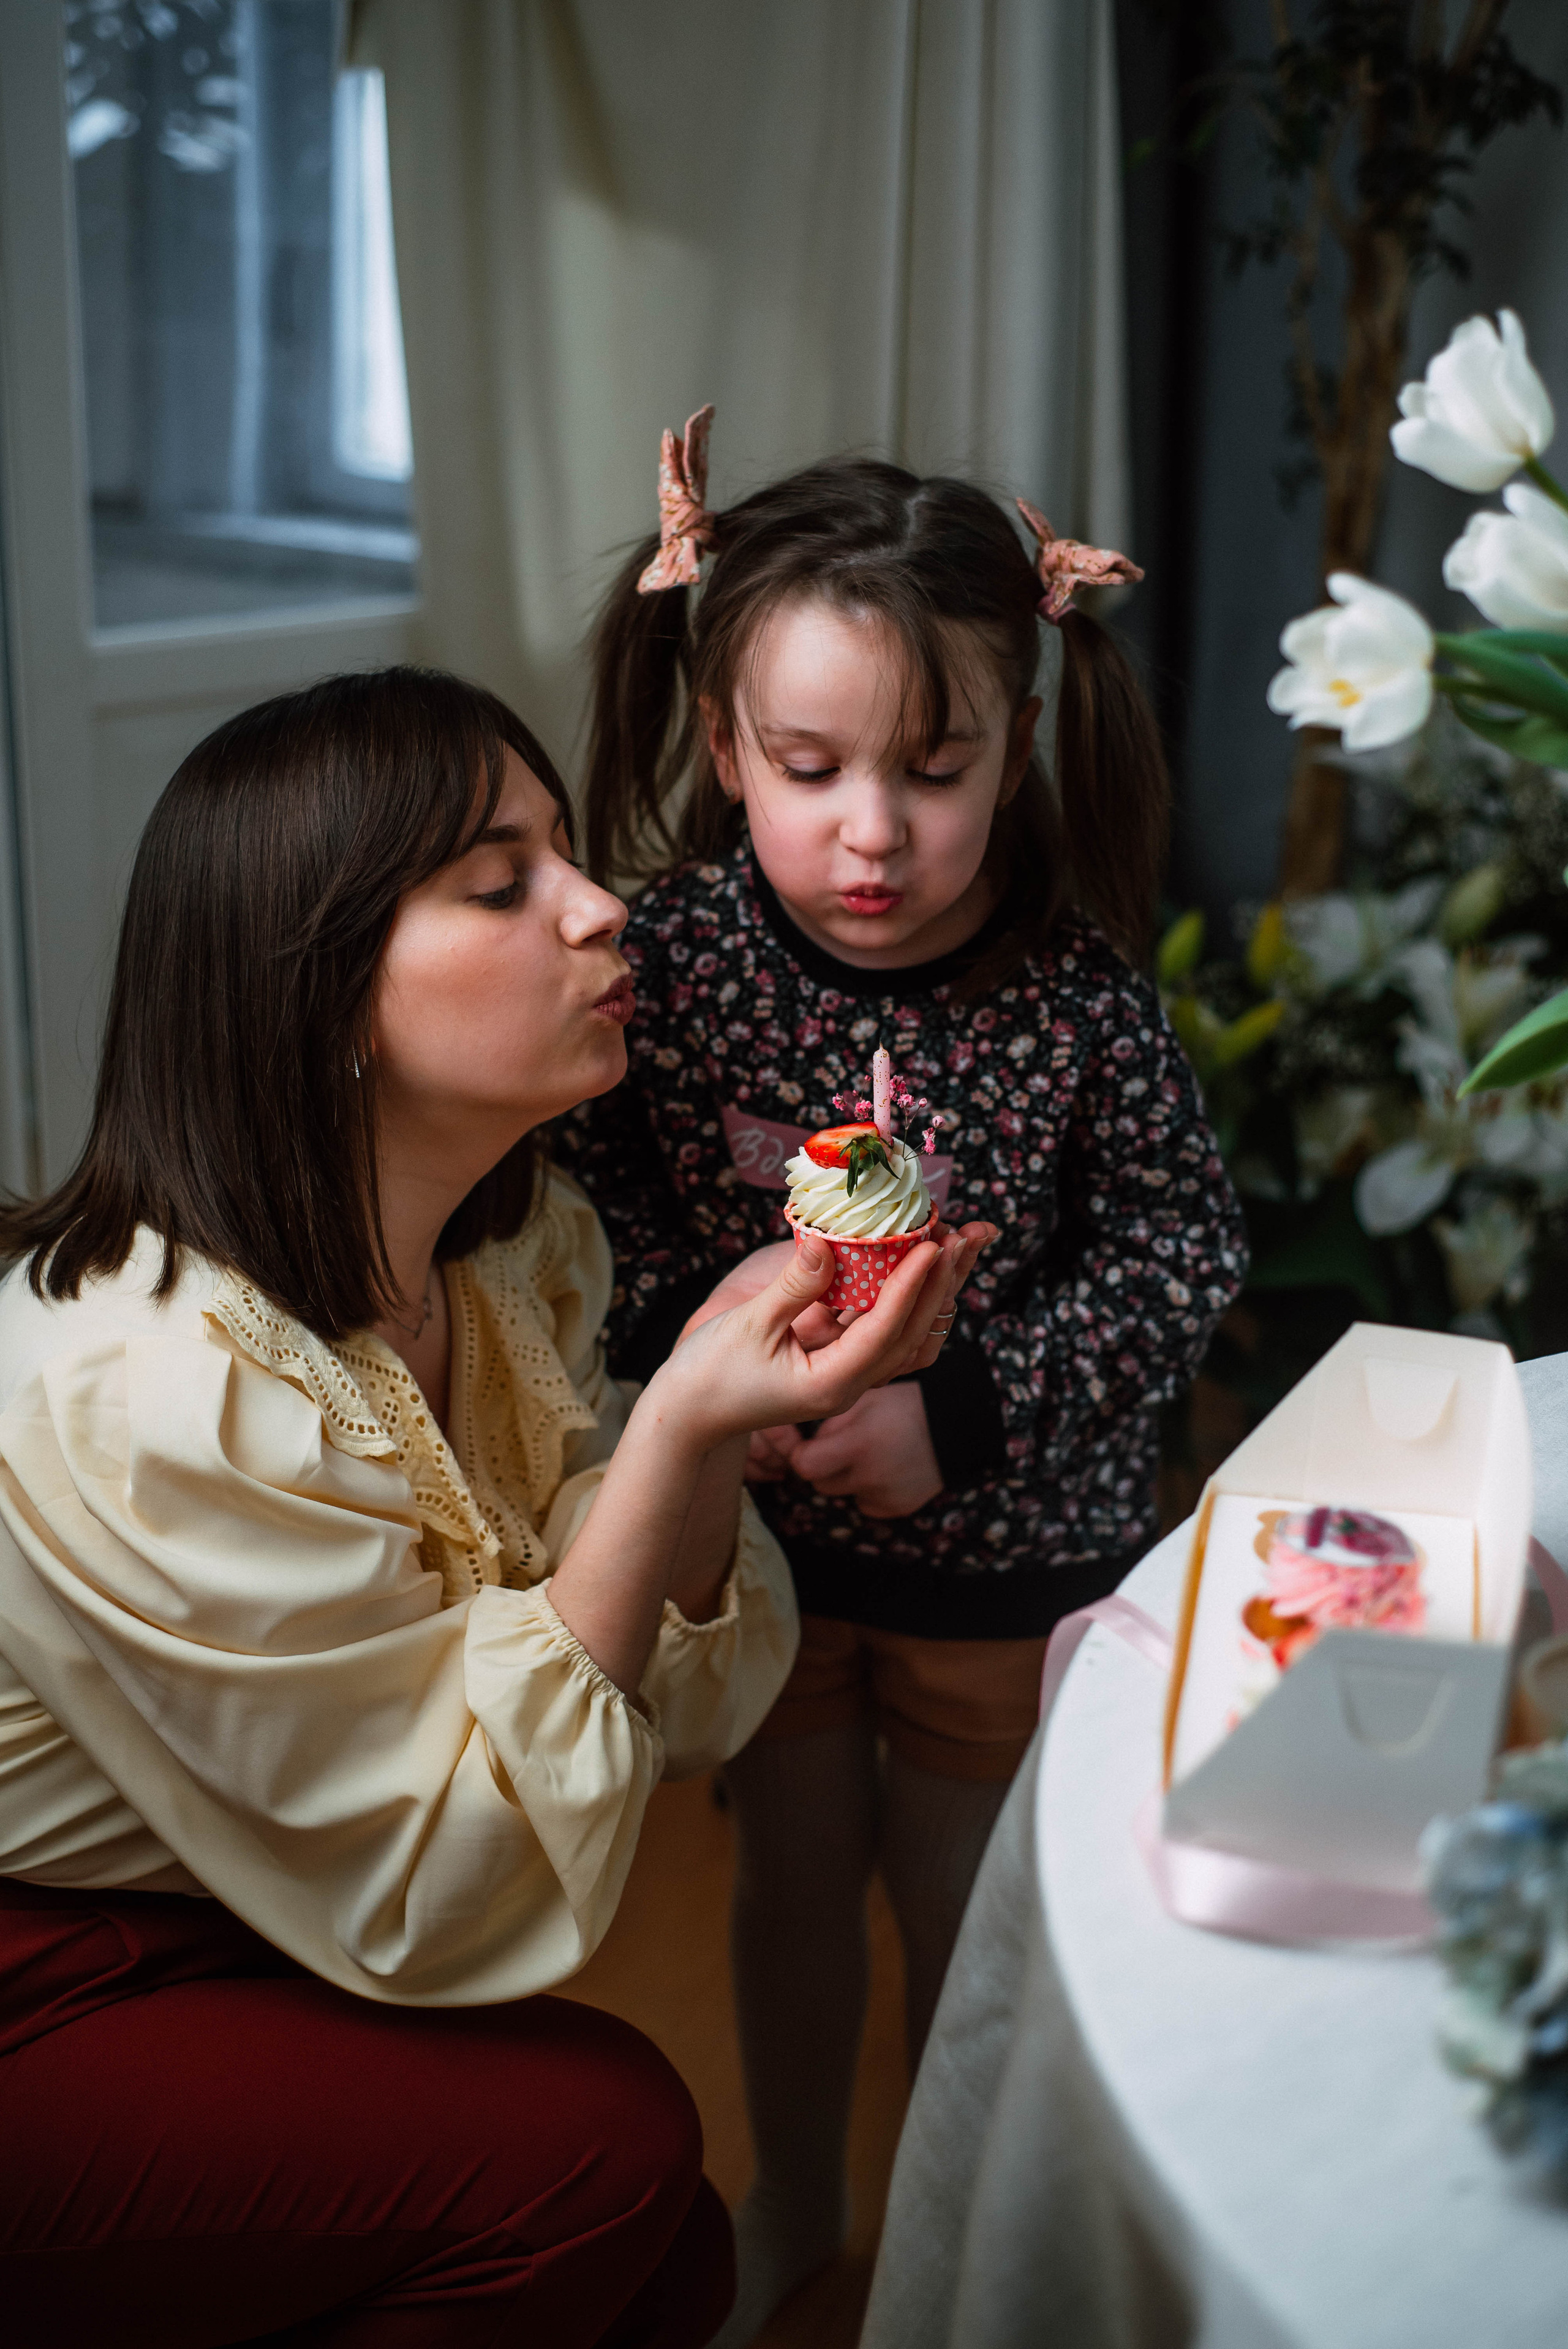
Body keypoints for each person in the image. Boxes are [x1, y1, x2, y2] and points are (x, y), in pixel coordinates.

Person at [0, 667, 978, 2349]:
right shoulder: (155, 1386)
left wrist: (696, 1410)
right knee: (597, 2156)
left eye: (571, 854)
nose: (607, 909)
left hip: (252, 1886)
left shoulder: (510, 1255)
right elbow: (441, 1877)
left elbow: (645, 1709)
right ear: (324, 993)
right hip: (49, 1965)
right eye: (501, 880)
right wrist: (677, 1419)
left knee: (663, 2260)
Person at [556, 414, 1250, 2343]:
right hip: (769, 1570)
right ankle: (794, 2194)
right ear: (722, 750)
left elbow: (1187, 1258)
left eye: (934, 771)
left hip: (1007, 1562)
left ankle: (961, 2240)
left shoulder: (1078, 995)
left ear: (1016, 750)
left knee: (968, 1911)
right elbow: (591, 1246)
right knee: (788, 1896)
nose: (875, 831)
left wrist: (958, 1410)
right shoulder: (672, 967)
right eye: (810, 768)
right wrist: (727, 1386)